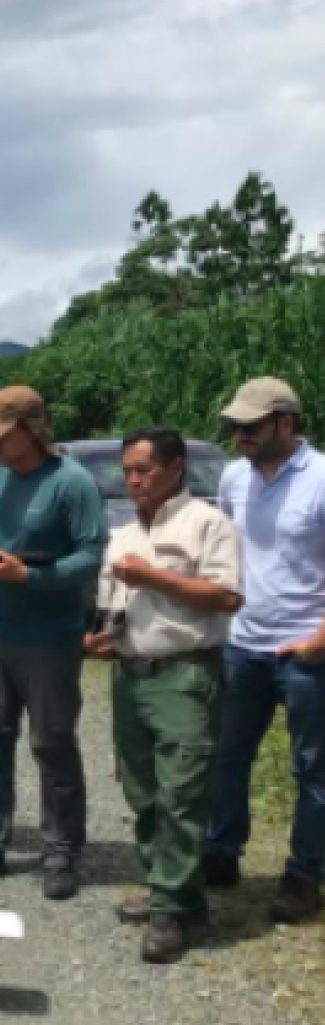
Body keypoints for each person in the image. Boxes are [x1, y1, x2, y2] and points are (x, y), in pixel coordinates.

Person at [0, 386, 104, 900]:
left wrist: (30, 575)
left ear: (31, 430)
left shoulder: (71, 483)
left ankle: (62, 852)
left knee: (52, 745)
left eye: (2, 437)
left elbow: (92, 555)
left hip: (51, 636)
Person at [86, 428, 241, 963]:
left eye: (143, 470)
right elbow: (115, 606)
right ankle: (171, 890)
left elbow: (225, 596)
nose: (132, 481)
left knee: (182, 793)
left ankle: (171, 909)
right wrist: (102, 639)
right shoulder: (123, 535)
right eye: (126, 471)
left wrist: (154, 577)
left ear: (175, 469)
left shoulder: (207, 524)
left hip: (185, 674)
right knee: (143, 791)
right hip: (132, 676)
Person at [204, 378, 325, 924]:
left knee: (313, 771)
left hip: (308, 652)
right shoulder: (234, 478)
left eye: (251, 427)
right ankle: (220, 852)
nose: (240, 437)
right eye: (235, 427)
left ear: (286, 423)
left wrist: (320, 641)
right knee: (227, 757)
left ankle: (303, 878)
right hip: (244, 645)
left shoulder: (321, 478)